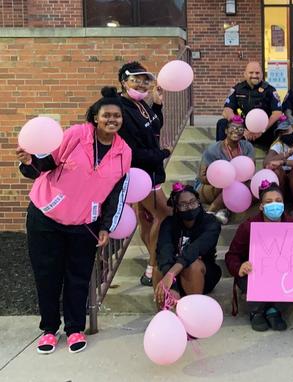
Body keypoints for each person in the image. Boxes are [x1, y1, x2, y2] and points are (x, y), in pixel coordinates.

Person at [17, 87, 132, 354]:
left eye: (117, 116)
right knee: (47, 275)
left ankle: (75, 328)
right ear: (95, 117)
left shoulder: (123, 152)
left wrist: (106, 226)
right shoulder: (76, 135)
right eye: (106, 115)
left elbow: (117, 193)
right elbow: (44, 164)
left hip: (84, 224)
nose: (112, 120)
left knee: (78, 277)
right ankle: (48, 329)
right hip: (46, 216)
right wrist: (28, 161)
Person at [117, 61, 173, 287]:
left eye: (144, 80)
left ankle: (154, 263)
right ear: (123, 82)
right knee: (166, 215)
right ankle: (153, 267)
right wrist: (161, 154)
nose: (141, 84)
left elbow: (154, 128)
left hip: (151, 172)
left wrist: (157, 105)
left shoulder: (141, 105)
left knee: (148, 218)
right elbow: (132, 151)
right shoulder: (122, 109)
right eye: (135, 80)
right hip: (140, 175)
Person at [224, 181, 293, 331]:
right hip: (254, 272)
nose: (274, 205)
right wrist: (239, 267)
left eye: (278, 201)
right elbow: (232, 255)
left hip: (282, 271)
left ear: (284, 204)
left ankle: (274, 310)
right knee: (248, 277)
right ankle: (256, 311)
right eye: (269, 202)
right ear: (261, 206)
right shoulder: (248, 227)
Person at [155, 183, 223, 310]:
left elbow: (195, 249)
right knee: (157, 269)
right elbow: (164, 251)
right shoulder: (169, 223)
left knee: (193, 265)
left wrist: (171, 275)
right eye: (184, 205)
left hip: (203, 273)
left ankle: (193, 313)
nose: (190, 207)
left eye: (193, 202)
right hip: (174, 274)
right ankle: (165, 315)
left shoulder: (210, 222)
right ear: (176, 208)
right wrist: (173, 285)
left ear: (198, 202)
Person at [197, 115, 255, 224]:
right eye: (233, 127)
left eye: (240, 129)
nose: (236, 131)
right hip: (209, 186)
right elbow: (201, 177)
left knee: (248, 185)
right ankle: (211, 212)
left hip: (237, 186)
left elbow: (250, 171)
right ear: (226, 130)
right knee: (228, 184)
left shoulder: (247, 147)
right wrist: (223, 180)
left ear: (244, 132)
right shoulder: (213, 149)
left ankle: (223, 210)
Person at [217, 61, 283, 148]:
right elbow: (228, 109)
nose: (254, 75)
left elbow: (277, 113)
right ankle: (222, 153)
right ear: (245, 74)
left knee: (280, 125)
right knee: (222, 123)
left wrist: (262, 130)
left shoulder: (270, 90)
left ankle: (275, 153)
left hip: (265, 129)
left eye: (257, 73)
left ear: (262, 74)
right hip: (243, 129)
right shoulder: (237, 89)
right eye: (251, 73)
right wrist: (240, 129)